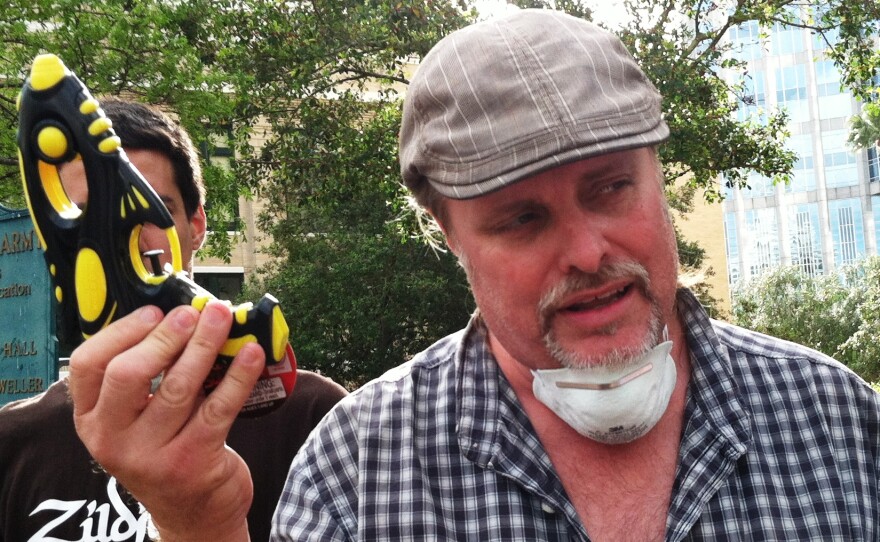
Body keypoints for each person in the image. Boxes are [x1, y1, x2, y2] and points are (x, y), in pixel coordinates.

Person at [69, 9, 879, 542]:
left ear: (659, 176)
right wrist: (197, 522)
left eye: (611, 187)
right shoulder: (358, 472)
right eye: (522, 219)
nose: (590, 251)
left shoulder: (839, 423)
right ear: (446, 235)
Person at [0, 98, 347, 542]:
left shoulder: (313, 419)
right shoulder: (13, 443)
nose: (118, 238)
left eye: (149, 213)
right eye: (87, 218)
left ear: (196, 225)